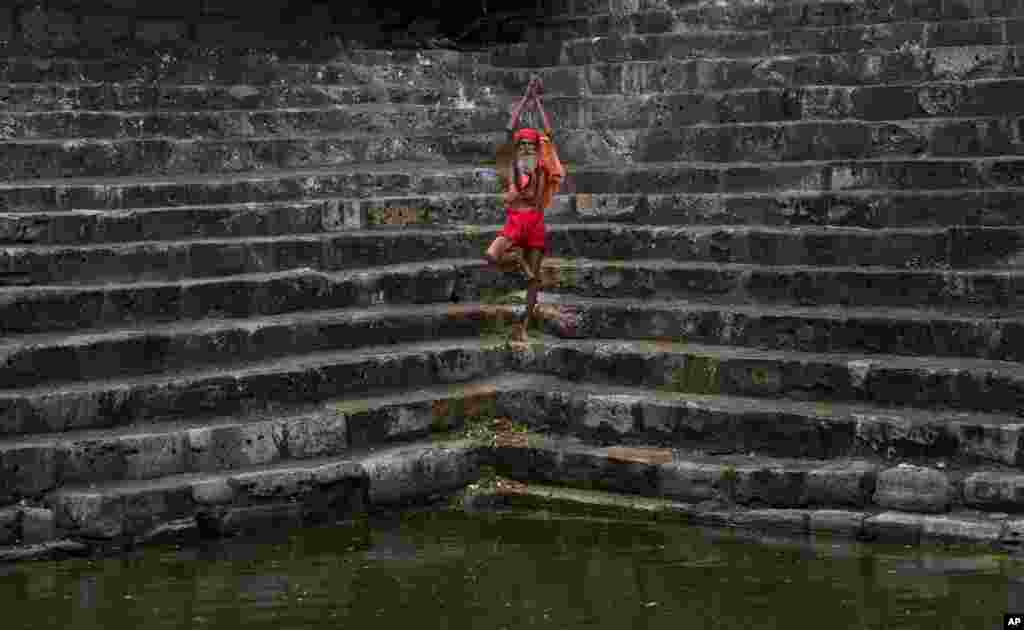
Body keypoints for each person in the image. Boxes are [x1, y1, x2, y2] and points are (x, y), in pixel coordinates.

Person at [484, 76, 565, 343]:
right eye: (523, 145)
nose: (528, 148)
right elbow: (510, 130)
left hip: (535, 220)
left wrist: (537, 102)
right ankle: (520, 264)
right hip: (517, 220)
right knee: (492, 255)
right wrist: (525, 99)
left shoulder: (541, 167)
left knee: (533, 283)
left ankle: (524, 326)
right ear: (518, 149)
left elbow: (549, 135)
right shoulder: (514, 167)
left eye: (532, 145)